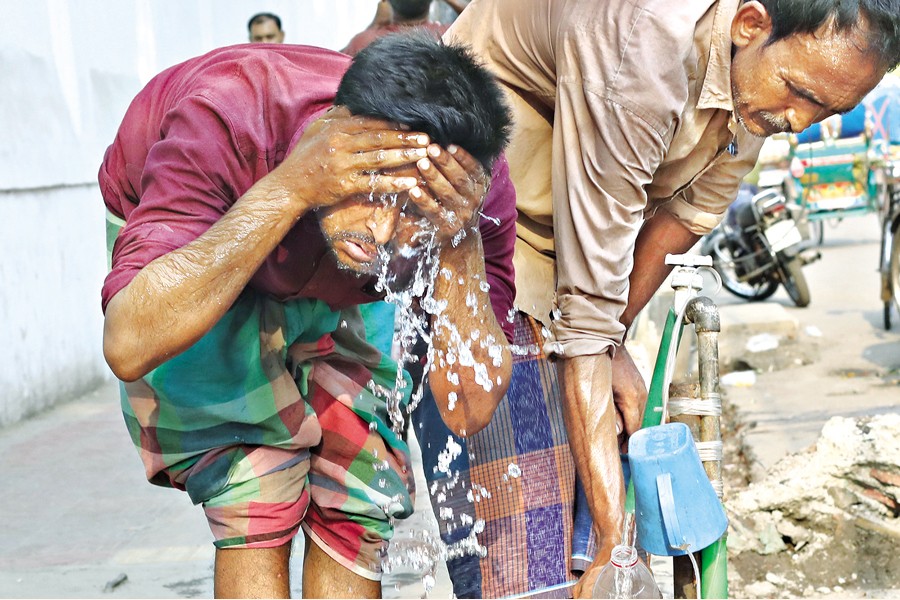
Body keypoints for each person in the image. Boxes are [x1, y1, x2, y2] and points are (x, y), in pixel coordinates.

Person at [414, 0, 900, 597]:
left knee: (598, 515)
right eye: (798, 92)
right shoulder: (642, 41)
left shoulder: (757, 91)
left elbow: (686, 215)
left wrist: (613, 337)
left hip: (574, 253)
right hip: (470, 237)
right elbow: (588, 317)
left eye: (829, 109)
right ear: (750, 24)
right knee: (523, 549)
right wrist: (616, 549)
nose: (800, 121)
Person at [98, 32, 517, 598]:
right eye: (374, 192)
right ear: (334, 141)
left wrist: (458, 244)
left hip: (328, 271)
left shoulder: (468, 192)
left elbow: (469, 410)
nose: (381, 234)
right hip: (212, 240)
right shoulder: (226, 117)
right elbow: (128, 342)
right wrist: (295, 184)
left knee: (362, 485)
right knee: (250, 479)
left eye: (410, 213)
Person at [342, 0, 447, 56]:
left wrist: (374, 24)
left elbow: (330, 65)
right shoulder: (448, 35)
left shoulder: (363, 42)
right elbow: (464, 18)